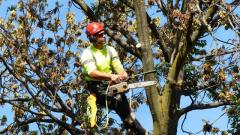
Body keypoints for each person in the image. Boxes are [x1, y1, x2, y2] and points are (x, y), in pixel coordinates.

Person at [81, 22, 147, 134]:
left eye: (103, 34)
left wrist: (122, 74)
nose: (104, 36)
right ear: (93, 38)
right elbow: (92, 72)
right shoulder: (87, 53)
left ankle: (135, 130)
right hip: (96, 88)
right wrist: (111, 76)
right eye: (100, 35)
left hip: (110, 85)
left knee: (124, 105)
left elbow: (117, 66)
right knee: (119, 101)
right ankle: (140, 131)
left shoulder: (110, 50)